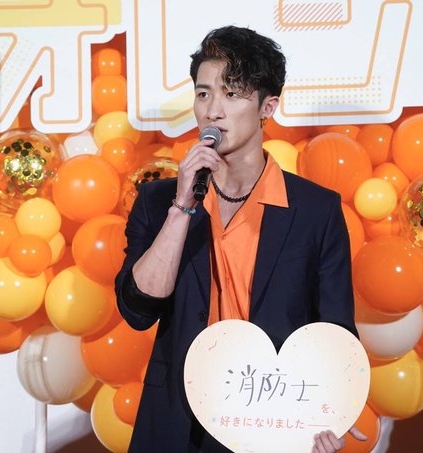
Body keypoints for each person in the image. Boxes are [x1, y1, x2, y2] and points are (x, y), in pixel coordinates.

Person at [115, 25, 365, 452]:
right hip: (177, 424)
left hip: (272, 423)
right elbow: (138, 310)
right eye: (203, 93)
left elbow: (335, 330)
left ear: (267, 107)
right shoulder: (158, 202)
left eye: (232, 94)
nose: (213, 111)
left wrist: (335, 410)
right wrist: (182, 208)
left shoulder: (315, 211)